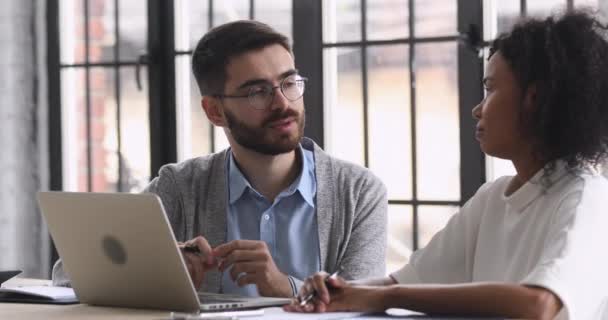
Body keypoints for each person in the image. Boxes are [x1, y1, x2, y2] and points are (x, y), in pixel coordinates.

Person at [287, 10, 608, 319]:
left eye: (490, 88)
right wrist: (335, 289)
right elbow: (402, 282)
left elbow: (540, 304)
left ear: (534, 98)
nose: (477, 110)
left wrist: (384, 297)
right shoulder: (493, 198)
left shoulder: (587, 197)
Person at [52, 20, 387, 298]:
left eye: (289, 82)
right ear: (215, 111)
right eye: (258, 91)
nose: (282, 103)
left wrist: (283, 286)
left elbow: (365, 304)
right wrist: (160, 270)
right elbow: (68, 276)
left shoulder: (358, 192)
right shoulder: (180, 188)